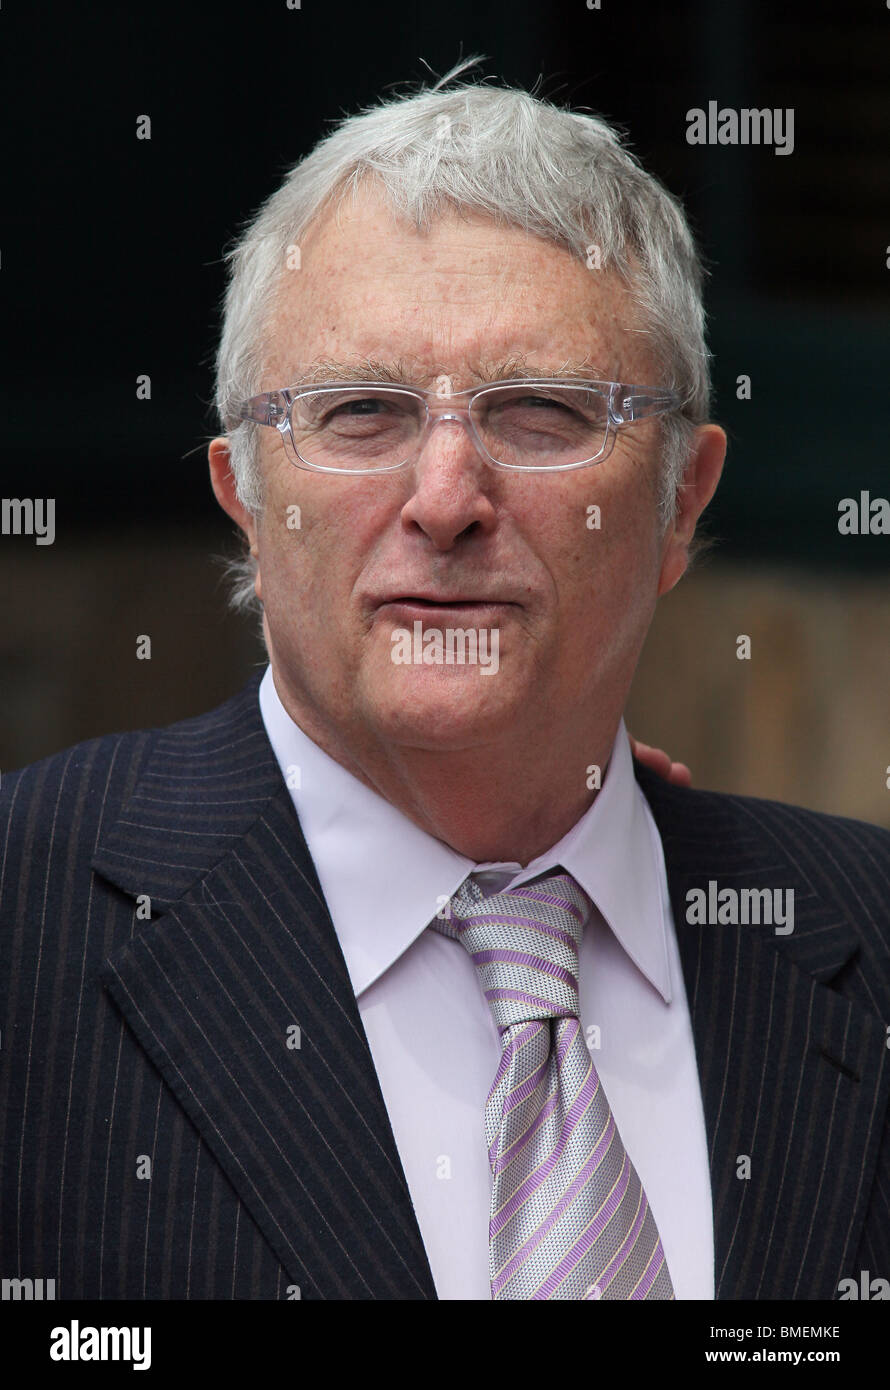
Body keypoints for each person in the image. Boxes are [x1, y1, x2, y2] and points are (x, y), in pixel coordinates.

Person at [2, 62, 888, 1303]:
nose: (443, 500)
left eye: (540, 412)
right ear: (244, 498)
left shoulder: (860, 932)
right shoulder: (24, 921)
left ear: (680, 500)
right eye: (359, 412)